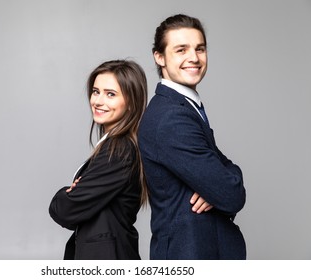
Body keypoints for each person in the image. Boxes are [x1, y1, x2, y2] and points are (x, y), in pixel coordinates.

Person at [138, 14, 246, 259]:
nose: (194, 58)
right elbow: (232, 193)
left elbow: (227, 180)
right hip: (189, 256)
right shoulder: (171, 117)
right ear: (159, 57)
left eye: (200, 49)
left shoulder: (184, 108)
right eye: (181, 49)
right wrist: (220, 187)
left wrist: (218, 185)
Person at [49, 59, 148, 260]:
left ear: (131, 103)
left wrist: (64, 195)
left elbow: (65, 211)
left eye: (110, 94)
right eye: (96, 91)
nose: (98, 101)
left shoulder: (119, 150)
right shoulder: (113, 145)